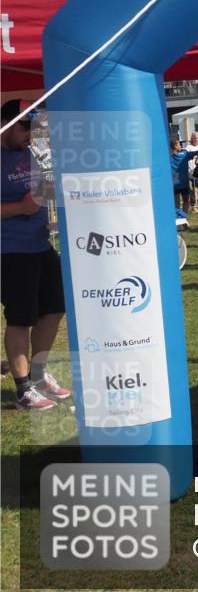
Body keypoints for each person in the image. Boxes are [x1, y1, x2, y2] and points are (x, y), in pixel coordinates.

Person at [1, 100, 71, 410]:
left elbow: (40, 192)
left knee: (54, 309)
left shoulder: (28, 153)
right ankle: (23, 390)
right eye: (24, 127)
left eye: (34, 128)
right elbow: (24, 202)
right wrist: (20, 208)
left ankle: (39, 376)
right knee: (20, 318)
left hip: (40, 245)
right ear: (5, 124)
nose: (30, 134)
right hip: (10, 250)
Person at [169, 138, 198, 213]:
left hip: (173, 183)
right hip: (184, 183)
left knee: (176, 203)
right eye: (179, 144)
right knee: (186, 201)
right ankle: (183, 216)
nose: (181, 146)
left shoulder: (168, 157)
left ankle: (178, 216)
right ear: (175, 146)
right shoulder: (184, 155)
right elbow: (196, 152)